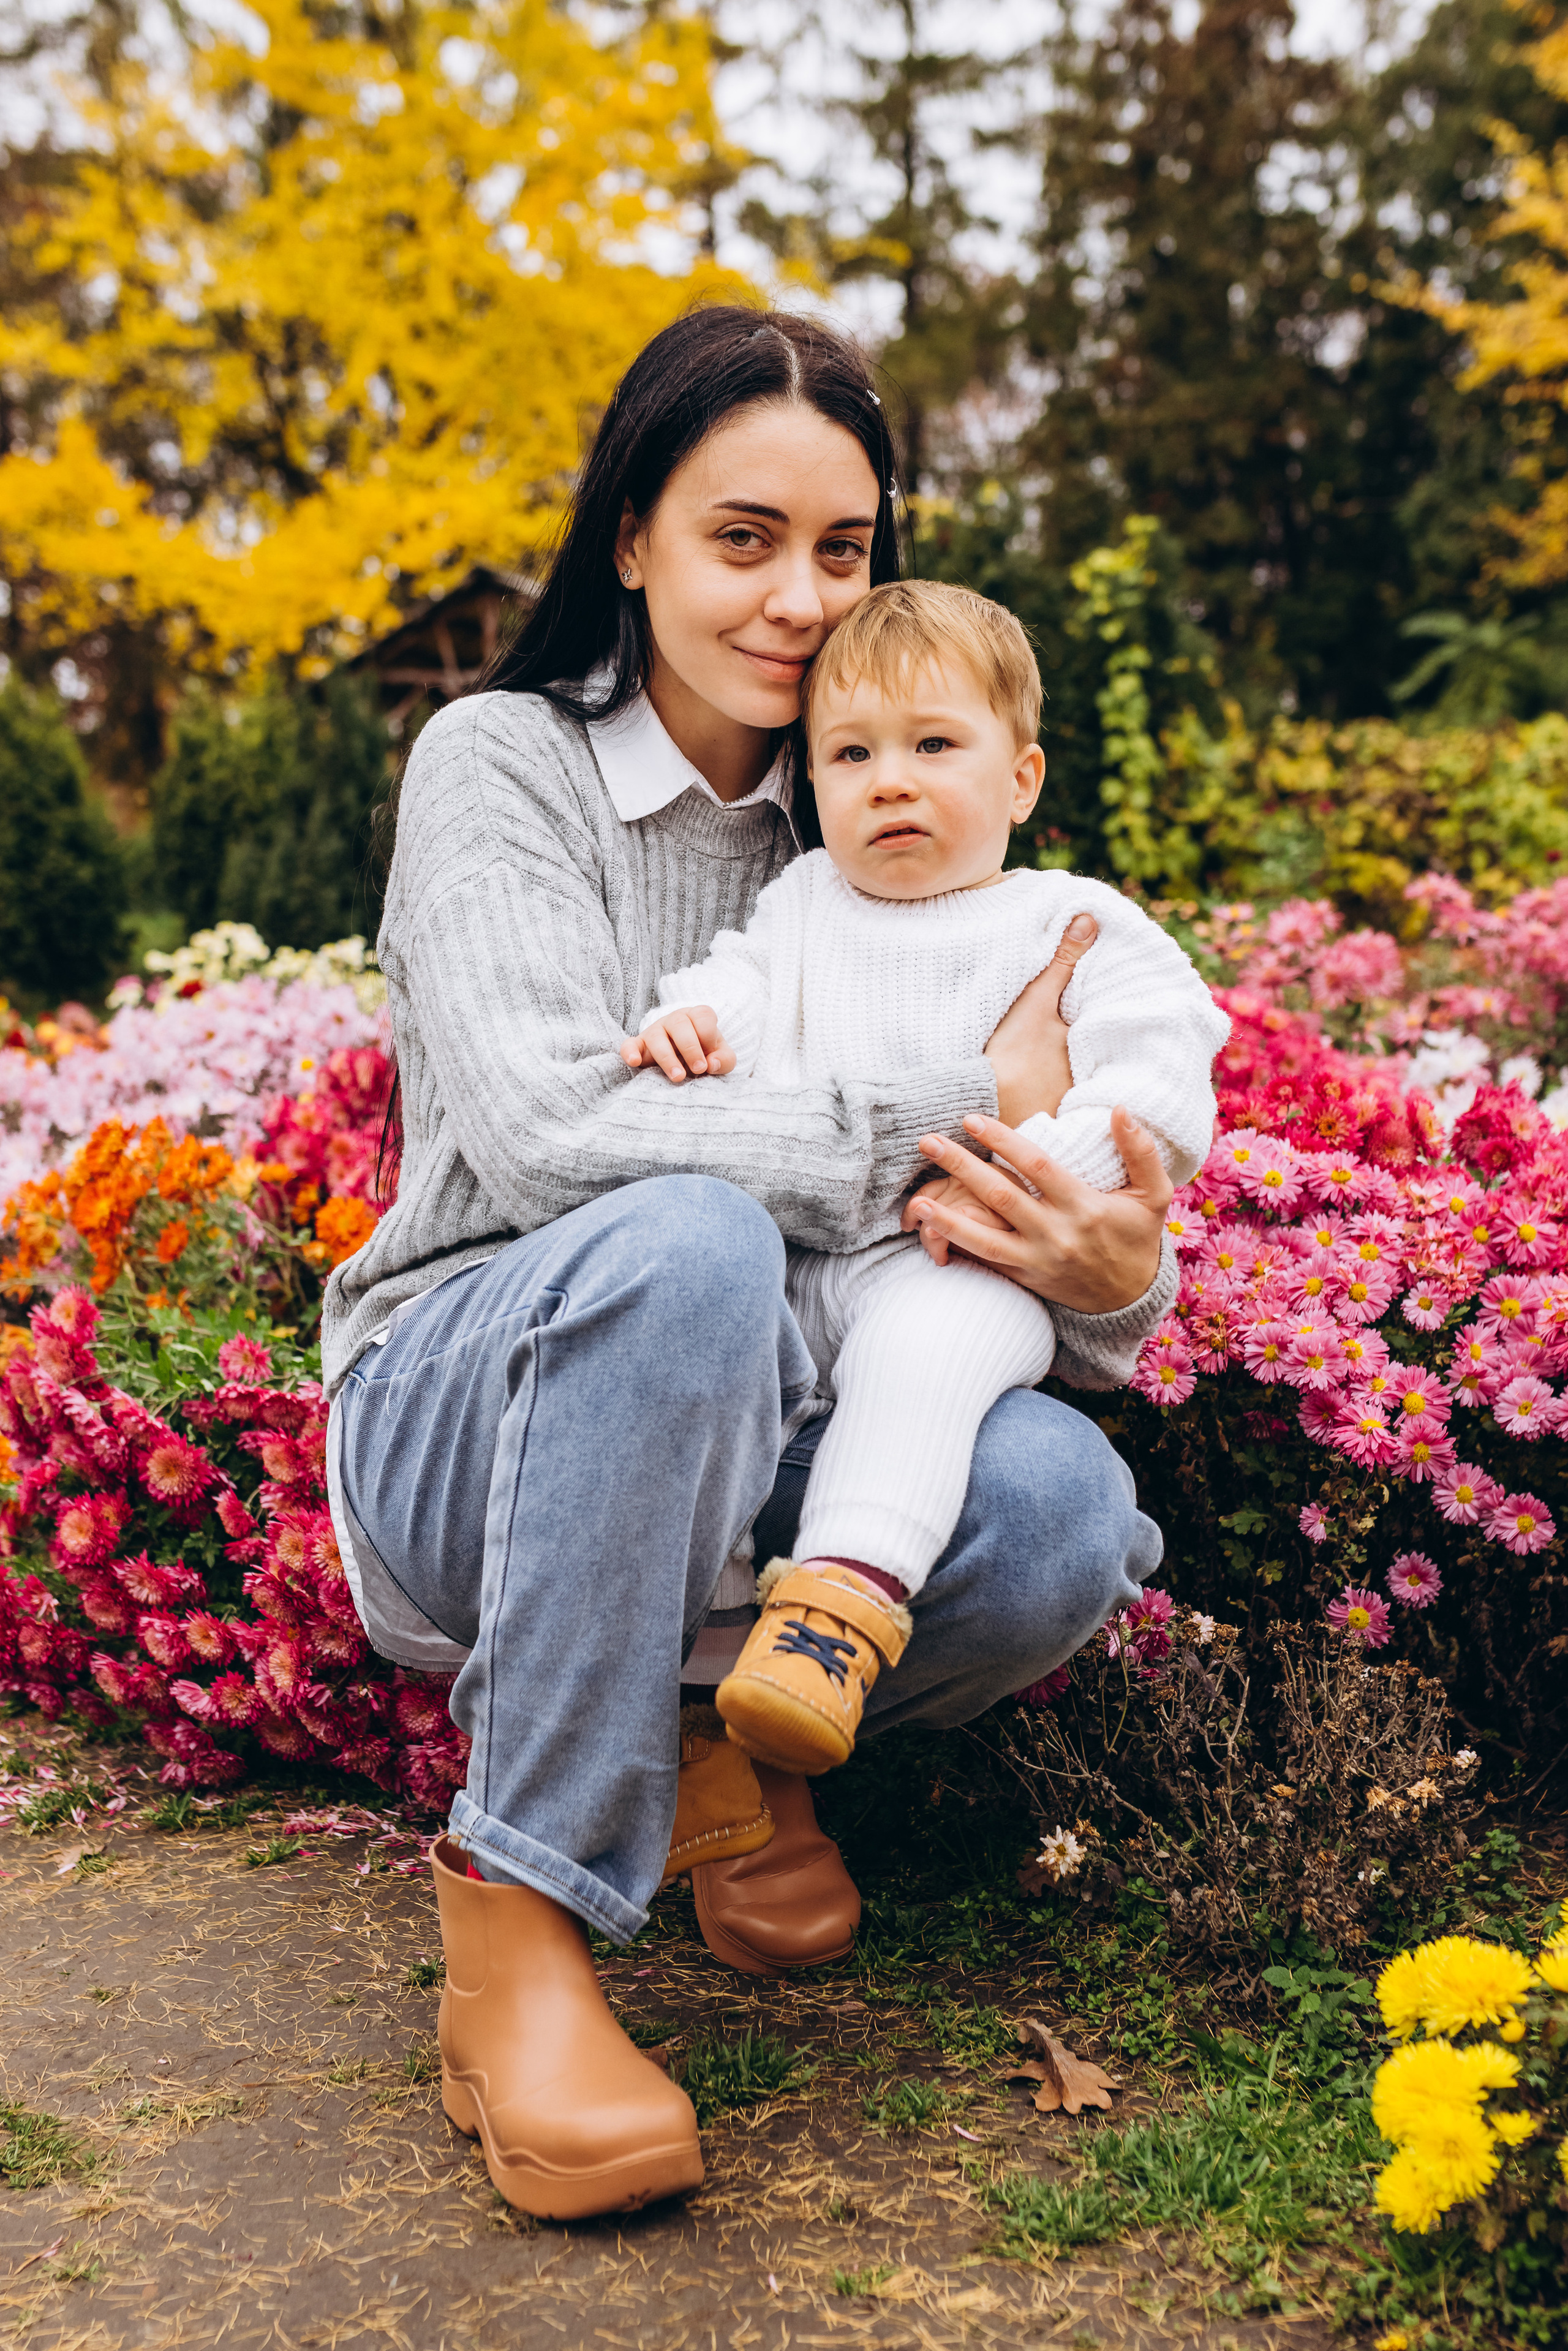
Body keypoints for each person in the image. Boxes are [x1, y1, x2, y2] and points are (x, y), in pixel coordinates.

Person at [323, 304, 1175, 2223]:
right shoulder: (499, 765)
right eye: (742, 537)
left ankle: (721, 1732)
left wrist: (1109, 1263)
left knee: (1056, 1506)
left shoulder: (890, 788)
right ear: (630, 534)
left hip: (778, 1423)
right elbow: (551, 1138)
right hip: (470, 1405)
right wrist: (959, 1089)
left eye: (846, 547)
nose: (801, 597)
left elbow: (1037, 1185)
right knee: (692, 1237)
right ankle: (520, 1915)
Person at [624, 579, 1227, 1779]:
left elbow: (1157, 1092)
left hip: (959, 1253)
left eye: (933, 744)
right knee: (705, 1343)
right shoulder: (799, 905)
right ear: (813, 783)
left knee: (931, 1353)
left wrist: (1017, 1179)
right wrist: (689, 1018)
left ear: (1021, 778)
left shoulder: (1076, 924)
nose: (889, 778)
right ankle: (700, 1645)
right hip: (795, 1253)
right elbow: (735, 981)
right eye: (849, 753)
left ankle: (834, 1612)